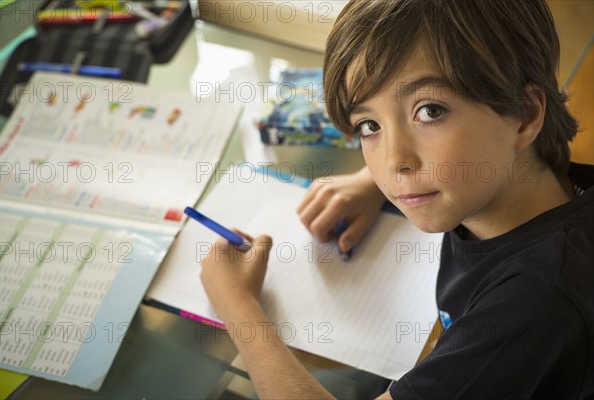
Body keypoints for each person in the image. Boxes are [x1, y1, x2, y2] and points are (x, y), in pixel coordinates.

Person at [199, 0, 594, 398]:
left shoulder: (534, 306)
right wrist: (367, 182)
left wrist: (239, 308)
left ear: (524, 114)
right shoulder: (524, 187)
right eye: (370, 126)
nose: (393, 162)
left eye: (430, 111)